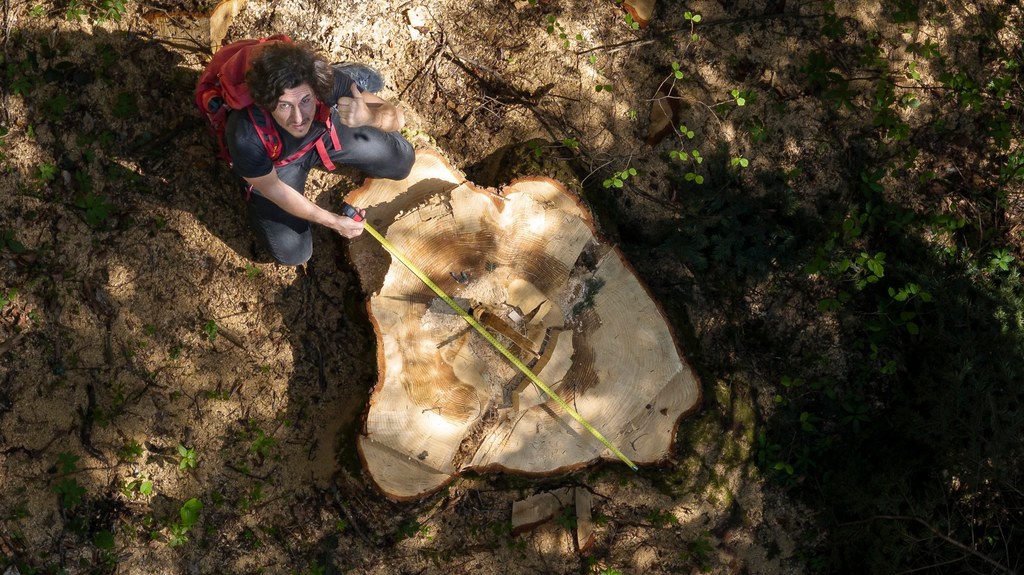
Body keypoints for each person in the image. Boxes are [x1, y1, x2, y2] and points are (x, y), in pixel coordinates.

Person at [226, 40, 415, 266]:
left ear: (315, 89)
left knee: (403, 162)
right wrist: (333, 221)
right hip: (280, 163)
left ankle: (350, 77)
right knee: (294, 253)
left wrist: (370, 117)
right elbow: (273, 188)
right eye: (284, 105)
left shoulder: (324, 82)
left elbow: (397, 118)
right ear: (266, 102)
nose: (298, 118)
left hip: (323, 130)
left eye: (306, 101)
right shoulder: (245, 134)